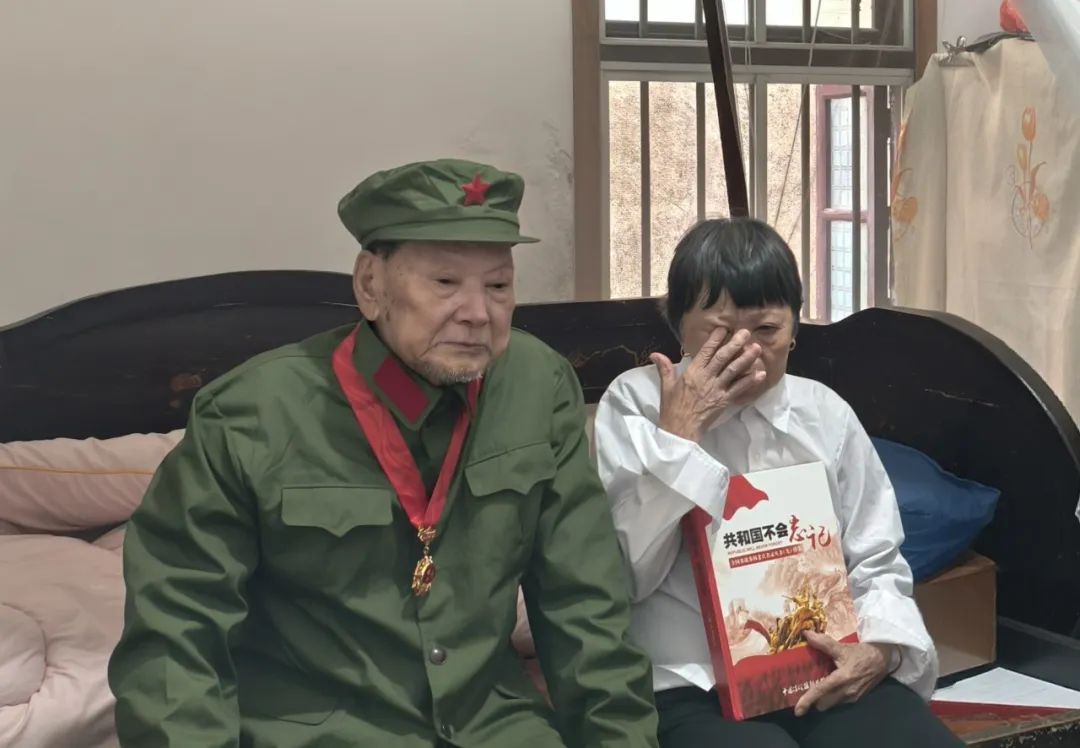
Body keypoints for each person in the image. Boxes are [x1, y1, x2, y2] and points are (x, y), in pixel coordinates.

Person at [108, 158, 659, 747]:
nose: (478, 313)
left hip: (494, 729)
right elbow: (177, 639)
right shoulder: (251, 416)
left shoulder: (538, 386)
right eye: (445, 283)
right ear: (371, 286)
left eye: (498, 286)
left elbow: (585, 607)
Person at [593, 217, 963, 748]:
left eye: (767, 330)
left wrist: (880, 649)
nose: (746, 350)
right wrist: (678, 440)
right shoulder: (634, 403)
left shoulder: (825, 413)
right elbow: (626, 577)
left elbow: (876, 557)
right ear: (678, 327)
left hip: (822, 668)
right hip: (686, 682)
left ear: (794, 330)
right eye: (720, 333)